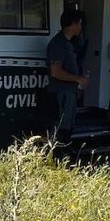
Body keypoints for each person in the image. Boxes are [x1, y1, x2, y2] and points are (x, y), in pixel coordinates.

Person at [47, 9, 88, 144]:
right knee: (61, 132)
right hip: (61, 94)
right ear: (72, 24)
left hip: (69, 93)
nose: (81, 27)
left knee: (68, 130)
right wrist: (77, 79)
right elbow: (55, 71)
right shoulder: (58, 44)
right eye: (79, 24)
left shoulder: (69, 43)